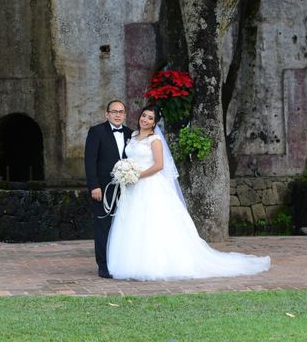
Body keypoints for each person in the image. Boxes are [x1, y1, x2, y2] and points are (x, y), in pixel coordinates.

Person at [106, 105, 271, 280]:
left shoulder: (154, 140)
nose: (145, 120)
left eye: (150, 118)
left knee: (152, 224)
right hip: (132, 188)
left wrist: (138, 175)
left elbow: (159, 165)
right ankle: (132, 264)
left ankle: (157, 265)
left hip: (149, 185)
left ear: (155, 123)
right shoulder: (132, 136)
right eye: (144, 116)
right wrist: (126, 172)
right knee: (133, 224)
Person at [84, 100, 133, 278]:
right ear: (107, 114)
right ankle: (103, 265)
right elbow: (89, 161)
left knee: (124, 227)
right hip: (103, 189)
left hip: (127, 190)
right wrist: (94, 186)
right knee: (103, 226)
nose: (117, 115)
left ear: (125, 115)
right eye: (114, 112)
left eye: (121, 112)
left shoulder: (130, 134)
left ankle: (121, 262)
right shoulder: (96, 132)